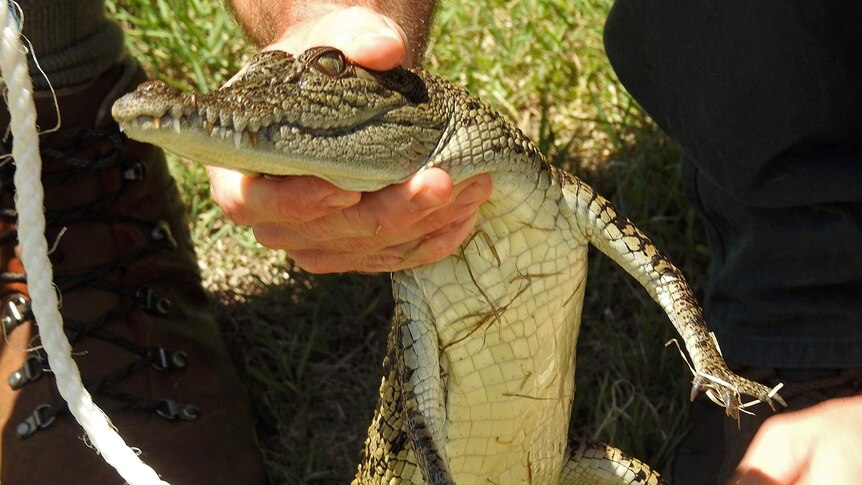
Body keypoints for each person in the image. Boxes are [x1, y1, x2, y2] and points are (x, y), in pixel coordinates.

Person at [0, 1, 856, 485]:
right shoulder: (421, 242)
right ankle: (54, 127)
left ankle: (818, 282)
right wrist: (332, 14)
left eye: (325, 80)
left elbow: (632, 251)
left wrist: (713, 360)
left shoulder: (514, 171)